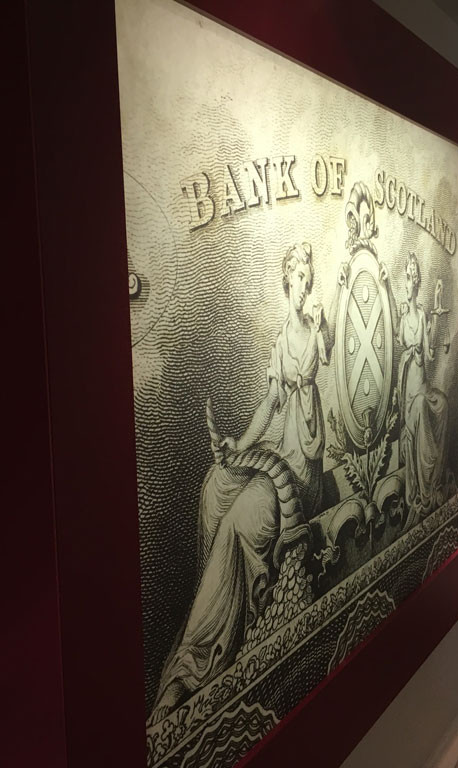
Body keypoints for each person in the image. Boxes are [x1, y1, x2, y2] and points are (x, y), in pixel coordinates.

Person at [149, 242, 336, 722]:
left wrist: (322, 326)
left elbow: (328, 349)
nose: (303, 285)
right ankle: (207, 628)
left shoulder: (315, 328)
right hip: (279, 448)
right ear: (286, 282)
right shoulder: (281, 338)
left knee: (239, 520)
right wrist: (237, 445)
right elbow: (269, 405)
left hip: (303, 464)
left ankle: (196, 662)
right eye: (297, 277)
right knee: (217, 485)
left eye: (307, 277)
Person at [395, 253, 449, 523]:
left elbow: (429, 353)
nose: (409, 283)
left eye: (412, 278)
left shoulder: (422, 315)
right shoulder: (403, 319)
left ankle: (432, 479)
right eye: (407, 277)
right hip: (410, 390)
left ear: (416, 284)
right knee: (417, 409)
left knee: (443, 404)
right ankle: (420, 489)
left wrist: (437, 309)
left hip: (423, 385)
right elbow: (400, 344)